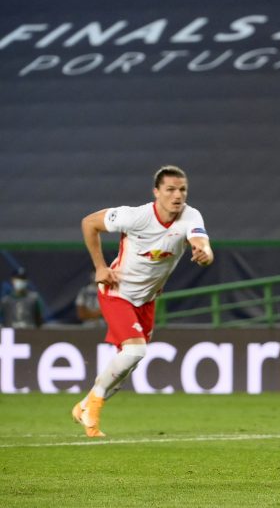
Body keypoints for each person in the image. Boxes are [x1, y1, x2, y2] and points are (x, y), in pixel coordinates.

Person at [72, 165, 213, 438]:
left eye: (182, 189)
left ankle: (84, 406)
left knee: (128, 365)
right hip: (117, 291)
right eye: (170, 189)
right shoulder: (135, 216)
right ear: (156, 192)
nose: (177, 195)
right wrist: (100, 267)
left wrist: (204, 252)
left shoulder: (190, 215)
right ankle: (93, 405)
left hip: (146, 300)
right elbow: (89, 223)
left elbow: (201, 240)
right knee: (135, 352)